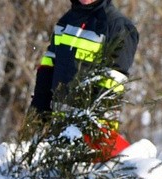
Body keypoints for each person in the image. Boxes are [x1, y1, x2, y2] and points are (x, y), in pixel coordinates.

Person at [30, 0, 139, 157]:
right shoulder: (66, 21)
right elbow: (48, 67)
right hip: (57, 130)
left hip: (92, 136)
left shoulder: (118, 26)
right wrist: (38, 112)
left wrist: (96, 131)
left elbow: (111, 86)